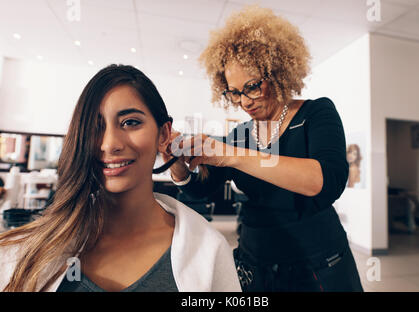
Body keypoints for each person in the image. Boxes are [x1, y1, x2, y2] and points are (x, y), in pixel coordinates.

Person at [164, 5, 363, 292]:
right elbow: (199, 189)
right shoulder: (240, 134)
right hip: (255, 262)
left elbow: (323, 181)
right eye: (234, 92)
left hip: (320, 264)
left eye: (252, 86)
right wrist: (176, 163)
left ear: (278, 73)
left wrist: (228, 154)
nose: (244, 101)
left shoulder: (316, 114)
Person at [0, 65, 241, 292]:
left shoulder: (209, 251)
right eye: (95, 127)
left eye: (130, 123)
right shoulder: (19, 253)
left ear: (164, 134)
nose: (110, 144)